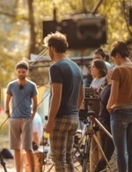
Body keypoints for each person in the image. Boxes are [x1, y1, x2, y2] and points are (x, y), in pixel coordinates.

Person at [43, 31, 84, 172]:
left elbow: (56, 96)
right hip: (73, 118)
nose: (48, 52)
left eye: (48, 48)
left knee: (58, 159)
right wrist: (74, 112)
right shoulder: (76, 67)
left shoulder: (56, 67)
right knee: (68, 158)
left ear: (52, 48)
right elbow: (81, 95)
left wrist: (50, 121)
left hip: (60, 119)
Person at [107, 41, 132, 172]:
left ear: (117, 55)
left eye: (113, 58)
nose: (114, 61)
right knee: (131, 148)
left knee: (120, 151)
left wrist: (108, 107)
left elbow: (114, 95)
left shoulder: (119, 70)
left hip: (120, 112)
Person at [5, 61, 38, 172]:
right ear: (16, 72)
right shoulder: (11, 85)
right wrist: (8, 114)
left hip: (26, 119)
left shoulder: (32, 86)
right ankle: (18, 170)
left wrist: (32, 117)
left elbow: (35, 103)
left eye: (23, 72)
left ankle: (32, 170)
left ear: (27, 72)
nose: (21, 73)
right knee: (16, 148)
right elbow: (7, 101)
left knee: (28, 147)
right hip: (14, 119)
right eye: (19, 71)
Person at [94, 66, 115, 172]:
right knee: (106, 157)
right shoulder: (112, 89)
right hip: (107, 124)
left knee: (105, 156)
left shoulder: (105, 88)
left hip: (102, 123)